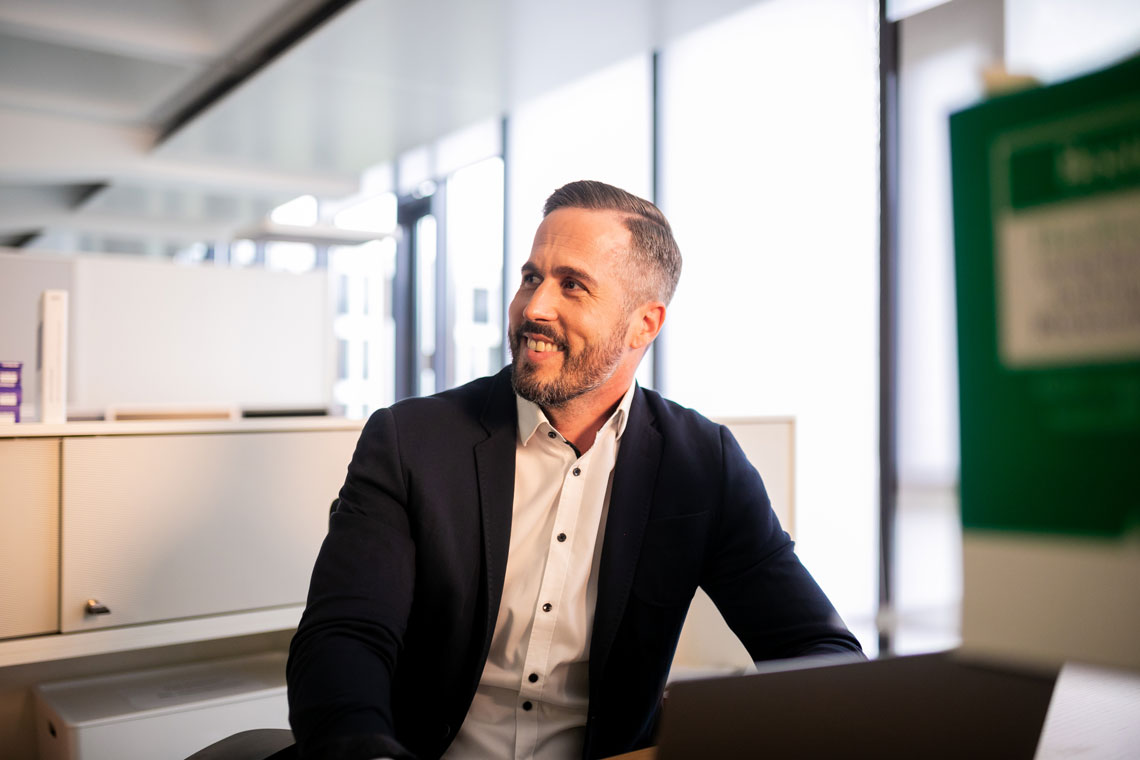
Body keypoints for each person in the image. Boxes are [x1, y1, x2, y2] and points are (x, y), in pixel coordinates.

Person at [286, 180, 862, 760]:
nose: (534, 307)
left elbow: (818, 651)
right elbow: (345, 637)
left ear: (644, 324)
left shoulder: (702, 464)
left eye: (572, 285)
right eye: (531, 278)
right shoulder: (411, 440)